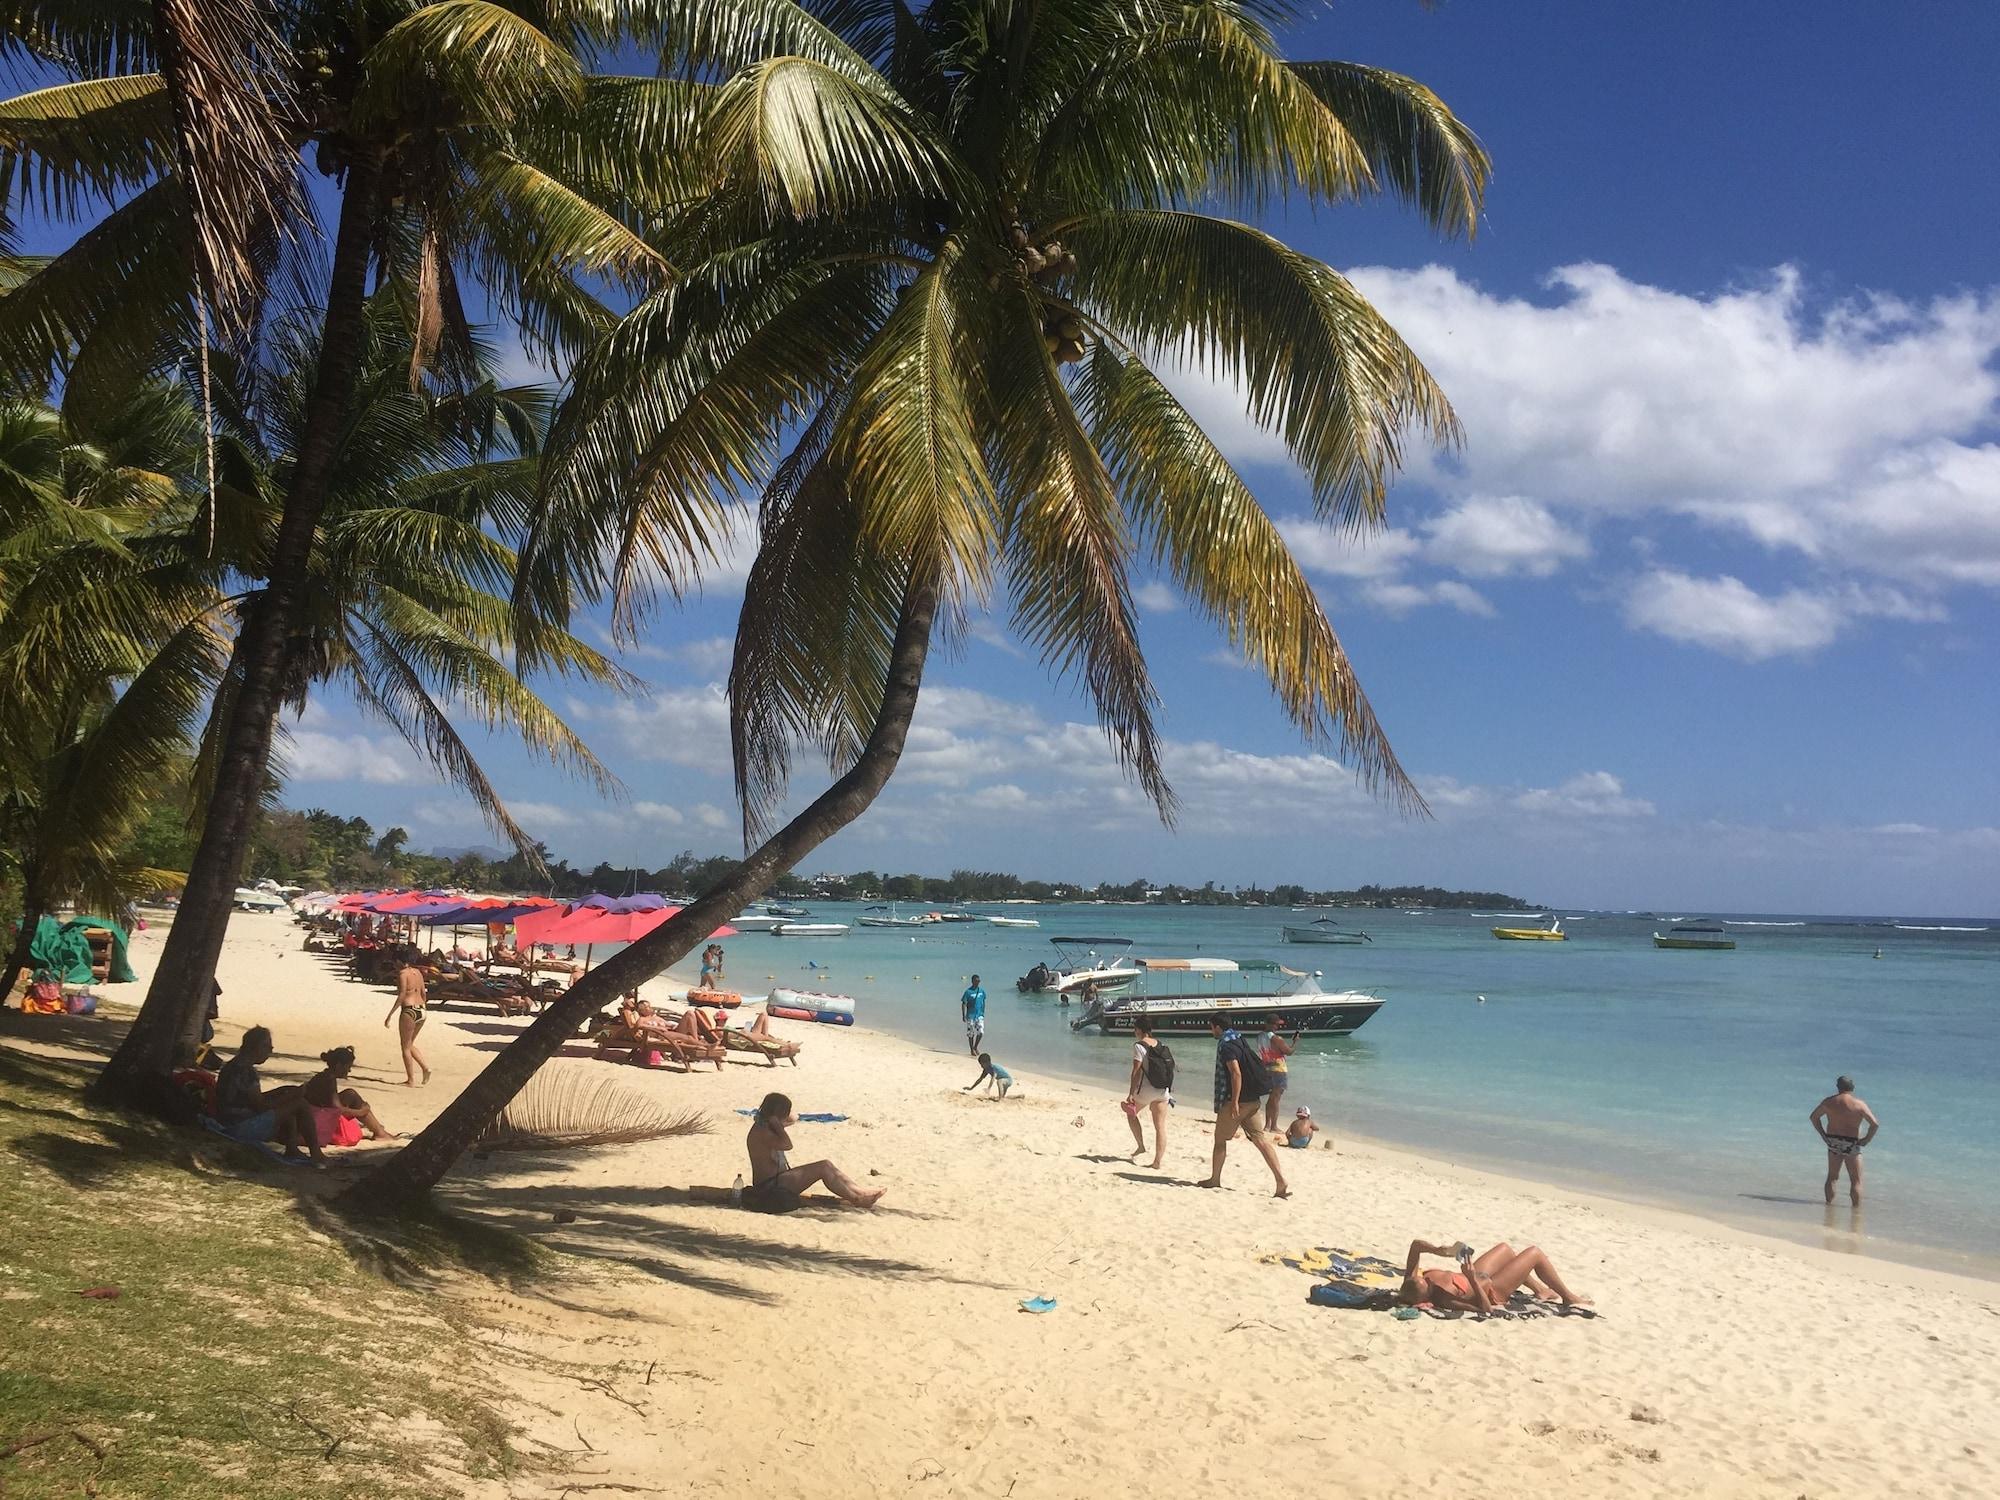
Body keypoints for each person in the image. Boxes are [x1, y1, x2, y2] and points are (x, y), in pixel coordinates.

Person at [743, 1092, 885, 1211]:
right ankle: (857, 1199)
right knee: (823, 1167)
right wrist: (777, 1125)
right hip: (769, 1187)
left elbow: (793, 1118)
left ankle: (860, 1192)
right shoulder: (762, 1132)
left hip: (779, 1179)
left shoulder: (765, 1124)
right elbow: (787, 1145)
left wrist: (776, 1120)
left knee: (827, 1165)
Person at [1197, 1017, 1288, 1197]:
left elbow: (1236, 1073)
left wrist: (1234, 1102)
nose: (1211, 1031)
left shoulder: (1227, 1046)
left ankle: (1215, 1179)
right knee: (1260, 1139)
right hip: (1253, 1099)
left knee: (1220, 1140)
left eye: (1212, 1027)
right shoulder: (1239, 1039)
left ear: (1217, 1027)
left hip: (1238, 1101)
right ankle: (1280, 1180)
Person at [212, 1027, 324, 1163]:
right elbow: (261, 1107)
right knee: (300, 1104)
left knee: (289, 1105)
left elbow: (247, 1099)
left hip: (227, 1119)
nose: (270, 1051)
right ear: (257, 1047)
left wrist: (280, 1092)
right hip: (238, 1126)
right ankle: (316, 1153)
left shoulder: (232, 1065)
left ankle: (292, 1149)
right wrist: (290, 1096)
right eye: (268, 1047)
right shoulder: (247, 1071)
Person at [1396, 1238, 1590, 1312]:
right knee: (1534, 1253)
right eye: (1427, 1285)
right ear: (1426, 1298)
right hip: (1492, 1289)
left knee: (1505, 1249)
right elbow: (1486, 1309)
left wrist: (1440, 1250)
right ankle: (1568, 1297)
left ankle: (1540, 1290)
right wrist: (1471, 1278)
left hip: (1472, 1271)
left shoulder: (1411, 1283)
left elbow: (1415, 1245)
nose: (1428, 1280)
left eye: (1424, 1278)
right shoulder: (1446, 1299)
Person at [299, 1046, 395, 1146]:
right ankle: (380, 1133)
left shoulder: (325, 1075)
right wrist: (361, 1112)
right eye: (348, 1067)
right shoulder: (328, 1080)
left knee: (350, 1094)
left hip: (317, 1111)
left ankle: (379, 1131)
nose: (349, 1071)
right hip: (317, 1117)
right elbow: (338, 1109)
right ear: (339, 1065)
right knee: (355, 1099)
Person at [1810, 1075, 1881, 1205]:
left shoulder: (1829, 1102)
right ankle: (1856, 1214)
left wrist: (1823, 1135)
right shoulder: (1859, 1105)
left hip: (1833, 1142)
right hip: (1851, 1143)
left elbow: (1814, 1117)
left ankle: (1828, 1206)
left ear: (1838, 1087)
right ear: (1852, 1087)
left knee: (1832, 1177)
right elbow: (1875, 1124)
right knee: (1856, 1180)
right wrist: (1866, 1139)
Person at [1124, 1019, 1172, 1169]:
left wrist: (1131, 1093)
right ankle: (1157, 1162)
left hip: (1146, 1090)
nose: (1134, 1032)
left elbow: (1136, 1072)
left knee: (1131, 1113)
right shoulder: (1160, 1044)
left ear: (1139, 1030)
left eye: (1135, 1029)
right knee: (1160, 1127)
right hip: (1163, 1090)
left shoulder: (1139, 1046)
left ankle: (1141, 1146)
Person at [383, 960, 431, 1086]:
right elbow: (423, 993)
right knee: (410, 1044)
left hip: (409, 1010)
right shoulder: (418, 972)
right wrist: (424, 1007)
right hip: (421, 1009)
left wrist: (390, 1014)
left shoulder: (402, 974)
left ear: (398, 962)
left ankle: (410, 1080)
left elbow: (402, 994)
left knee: (405, 1047)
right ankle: (425, 1068)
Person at [1259, 1026, 1297, 1133]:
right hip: (1279, 1070)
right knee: (1276, 1099)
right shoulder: (1276, 1039)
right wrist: (1295, 1042)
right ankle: (1274, 1126)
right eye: (1277, 1024)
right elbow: (1289, 1051)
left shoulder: (1261, 1037)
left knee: (1271, 1098)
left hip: (1267, 1068)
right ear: (1274, 1025)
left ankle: (1267, 1125)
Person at [959, 974, 986, 1056]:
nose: (978, 982)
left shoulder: (982, 991)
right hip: (970, 1016)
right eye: (976, 981)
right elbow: (963, 1003)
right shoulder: (968, 992)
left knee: (981, 1032)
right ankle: (971, 1049)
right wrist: (963, 1015)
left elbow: (983, 1001)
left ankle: (975, 1047)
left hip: (979, 1015)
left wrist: (983, 1012)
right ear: (973, 981)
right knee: (971, 1033)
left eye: (979, 981)